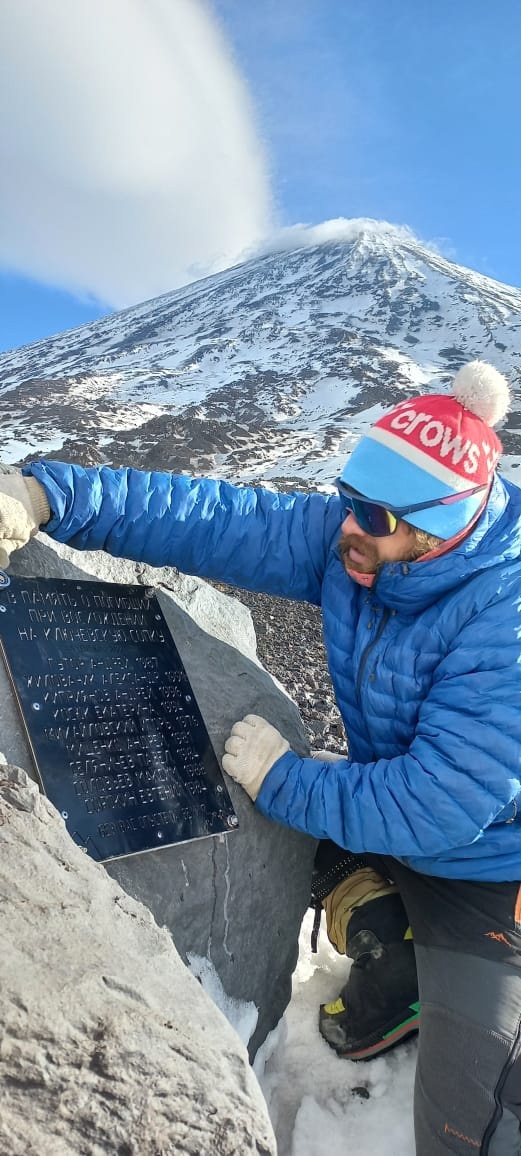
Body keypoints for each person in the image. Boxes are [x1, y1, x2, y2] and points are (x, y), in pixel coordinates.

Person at [0, 359, 520, 1154]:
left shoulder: (502, 619)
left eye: (371, 516)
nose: (347, 525)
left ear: (440, 528)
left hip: (489, 878)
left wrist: (281, 781)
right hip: (404, 819)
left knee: (468, 1129)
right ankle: (391, 945)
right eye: (346, 501)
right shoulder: (361, 540)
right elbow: (214, 519)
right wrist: (48, 495)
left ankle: (428, 965)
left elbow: (436, 807)